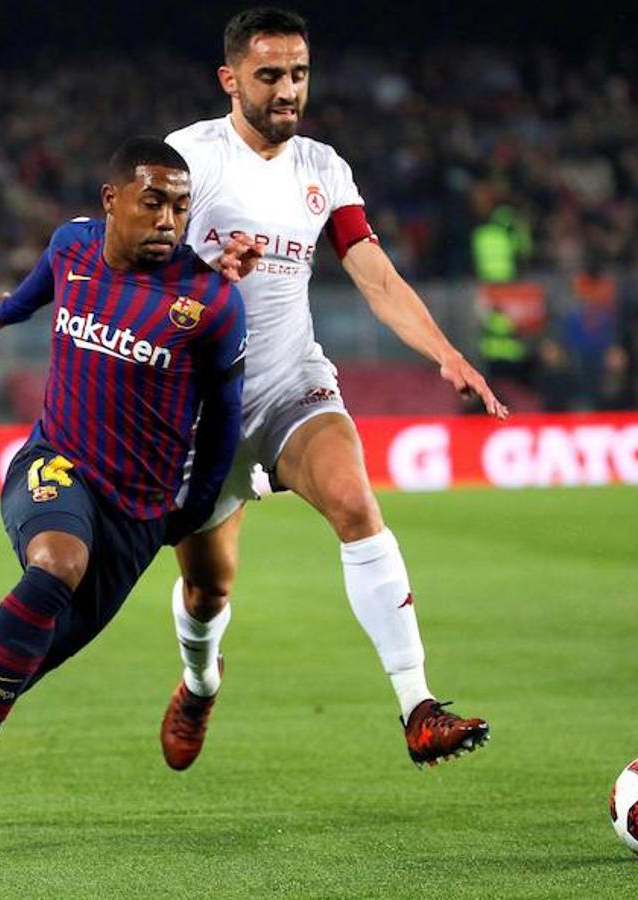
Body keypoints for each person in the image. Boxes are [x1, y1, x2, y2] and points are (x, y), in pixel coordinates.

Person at [158, 7, 510, 772]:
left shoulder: (323, 168)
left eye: (299, 74)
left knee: (356, 504)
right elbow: (135, 270)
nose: (288, 90)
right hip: (202, 409)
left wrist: (445, 352)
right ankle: (199, 681)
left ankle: (418, 707)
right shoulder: (189, 159)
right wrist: (204, 277)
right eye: (270, 76)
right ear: (230, 80)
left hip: (293, 385)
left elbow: (374, 274)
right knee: (208, 594)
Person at [0, 137, 251, 826]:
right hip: (55, 463)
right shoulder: (74, 245)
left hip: (137, 513)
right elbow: (47, 277)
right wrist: (7, 311)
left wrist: (191, 511)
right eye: (153, 202)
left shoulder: (212, 303)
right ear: (113, 202)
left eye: (181, 207)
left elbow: (225, 422)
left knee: (17, 661)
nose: (169, 220)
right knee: (55, 563)